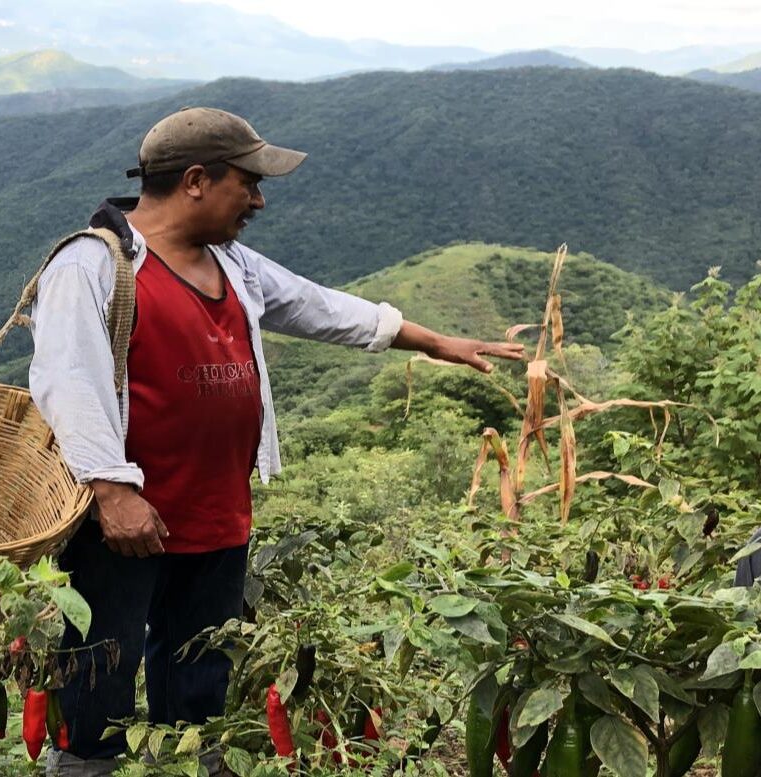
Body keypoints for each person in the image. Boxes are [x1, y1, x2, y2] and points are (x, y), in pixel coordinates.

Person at [28, 106, 524, 776]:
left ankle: (193, 763)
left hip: (215, 511)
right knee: (97, 674)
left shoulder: (232, 263)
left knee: (199, 668)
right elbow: (67, 379)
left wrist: (434, 341)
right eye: (248, 182)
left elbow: (320, 306)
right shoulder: (93, 265)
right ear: (197, 180)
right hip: (122, 524)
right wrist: (113, 491)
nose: (258, 199)